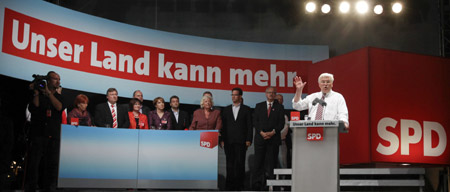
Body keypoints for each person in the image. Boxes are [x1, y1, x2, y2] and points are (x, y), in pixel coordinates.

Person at [25, 71, 65, 191]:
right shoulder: (39, 95)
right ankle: (31, 187)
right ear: (48, 80)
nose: (58, 81)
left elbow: (59, 107)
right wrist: (36, 93)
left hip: (53, 135)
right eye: (55, 79)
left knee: (52, 164)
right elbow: (34, 108)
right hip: (38, 133)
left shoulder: (59, 97)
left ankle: (49, 188)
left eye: (59, 79)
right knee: (34, 163)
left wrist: (49, 94)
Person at [252, 86, 285, 191]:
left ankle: (272, 185)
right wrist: (261, 132)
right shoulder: (259, 106)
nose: (271, 94)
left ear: (275, 94)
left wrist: (273, 132)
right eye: (269, 92)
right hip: (260, 139)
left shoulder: (279, 107)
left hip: (273, 139)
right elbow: (255, 121)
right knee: (258, 163)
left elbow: (281, 123)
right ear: (266, 94)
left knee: (272, 163)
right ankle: (257, 185)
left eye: (273, 93)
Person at [220, 88, 253, 191]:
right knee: (229, 164)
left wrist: (248, 139)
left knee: (240, 164)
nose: (233, 97)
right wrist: (222, 139)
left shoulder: (246, 109)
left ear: (240, 96)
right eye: (232, 95)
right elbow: (223, 126)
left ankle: (239, 186)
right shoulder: (225, 110)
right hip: (228, 141)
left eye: (235, 95)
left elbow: (249, 126)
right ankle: (229, 186)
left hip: (241, 141)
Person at [275, 94, 291, 170]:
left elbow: (286, 128)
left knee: (283, 161)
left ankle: (284, 179)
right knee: (271, 161)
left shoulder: (285, 114)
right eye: (277, 99)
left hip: (281, 140)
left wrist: (275, 134)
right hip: (270, 141)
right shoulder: (268, 112)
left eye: (281, 99)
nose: (279, 100)